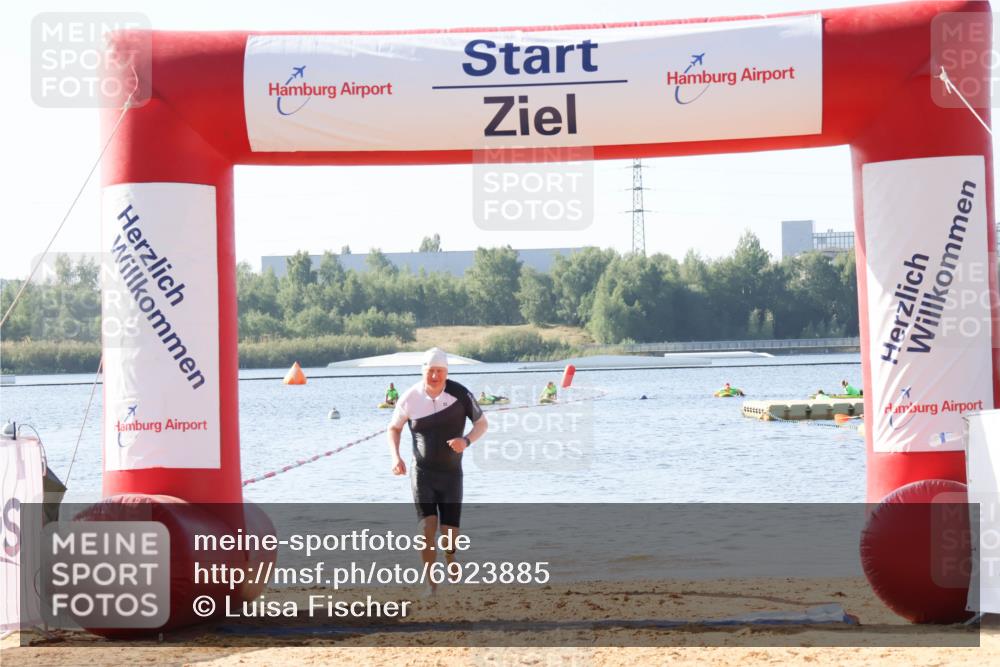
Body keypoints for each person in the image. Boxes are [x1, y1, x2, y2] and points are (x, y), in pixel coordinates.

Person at [387, 348, 488, 596]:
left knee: (449, 534)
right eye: (430, 371)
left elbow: (482, 424)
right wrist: (396, 457)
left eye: (439, 371)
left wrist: (466, 441)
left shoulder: (460, 394)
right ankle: (430, 583)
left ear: (446, 372)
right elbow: (394, 428)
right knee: (426, 529)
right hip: (422, 473)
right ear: (423, 371)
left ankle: (451, 558)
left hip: (452, 474)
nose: (434, 376)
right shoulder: (410, 397)